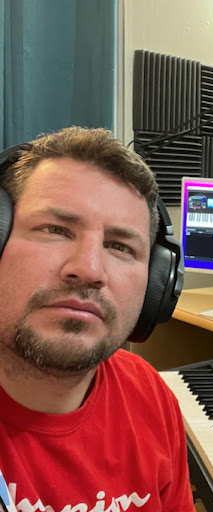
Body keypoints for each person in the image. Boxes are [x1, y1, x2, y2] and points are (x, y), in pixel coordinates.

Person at [0, 127, 195, 511]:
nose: (89, 269)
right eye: (55, 230)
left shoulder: (150, 396)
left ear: (156, 285)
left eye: (120, 246)